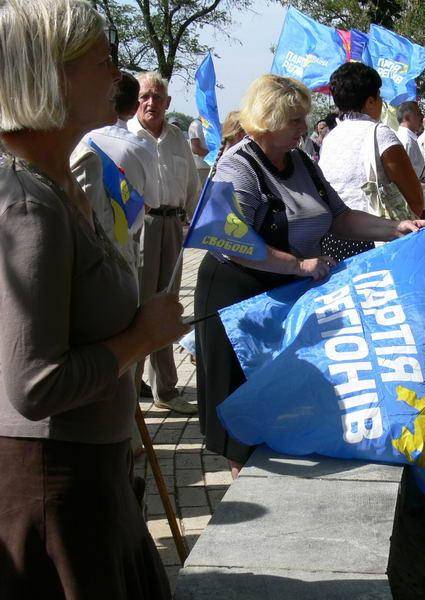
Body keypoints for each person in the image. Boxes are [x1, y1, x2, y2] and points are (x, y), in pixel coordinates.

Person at [0, 1, 189, 596]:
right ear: (50, 74)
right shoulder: (28, 203)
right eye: (103, 60)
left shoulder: (56, 182)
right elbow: (35, 386)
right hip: (57, 490)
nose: (117, 76)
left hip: (89, 476)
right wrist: (141, 338)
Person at [195, 74, 425, 478]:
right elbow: (230, 241)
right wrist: (297, 265)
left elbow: (340, 218)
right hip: (237, 300)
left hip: (283, 294)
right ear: (268, 120)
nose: (304, 128)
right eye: (294, 120)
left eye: (303, 118)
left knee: (279, 399)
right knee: (242, 412)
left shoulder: (302, 161)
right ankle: (243, 483)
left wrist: (395, 227)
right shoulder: (238, 165)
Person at [129, 72, 200, 413]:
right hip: (138, 227)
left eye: (158, 97)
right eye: (145, 96)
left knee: (168, 304)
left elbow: (191, 186)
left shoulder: (177, 139)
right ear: (135, 100)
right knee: (138, 308)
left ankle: (166, 391)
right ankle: (129, 392)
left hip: (172, 225)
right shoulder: (125, 135)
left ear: (168, 102)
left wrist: (195, 222)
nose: (151, 102)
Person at [318, 62, 424, 260]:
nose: (382, 102)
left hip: (334, 241)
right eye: (379, 96)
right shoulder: (380, 133)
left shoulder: (329, 139)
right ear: (370, 101)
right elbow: (415, 199)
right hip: (377, 238)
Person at [70, 72, 160, 271]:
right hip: (121, 248)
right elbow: (149, 204)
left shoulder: (78, 138)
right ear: (135, 108)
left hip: (78, 245)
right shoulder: (145, 149)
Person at [395, 100, 425, 202]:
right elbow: (403, 176)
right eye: (419, 113)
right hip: (412, 199)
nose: (422, 117)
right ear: (407, 117)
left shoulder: (408, 138)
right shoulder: (406, 141)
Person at [188, 117, 211, 185]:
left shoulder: (208, 125)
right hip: (200, 169)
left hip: (210, 168)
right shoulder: (195, 125)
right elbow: (196, 149)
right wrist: (213, 155)